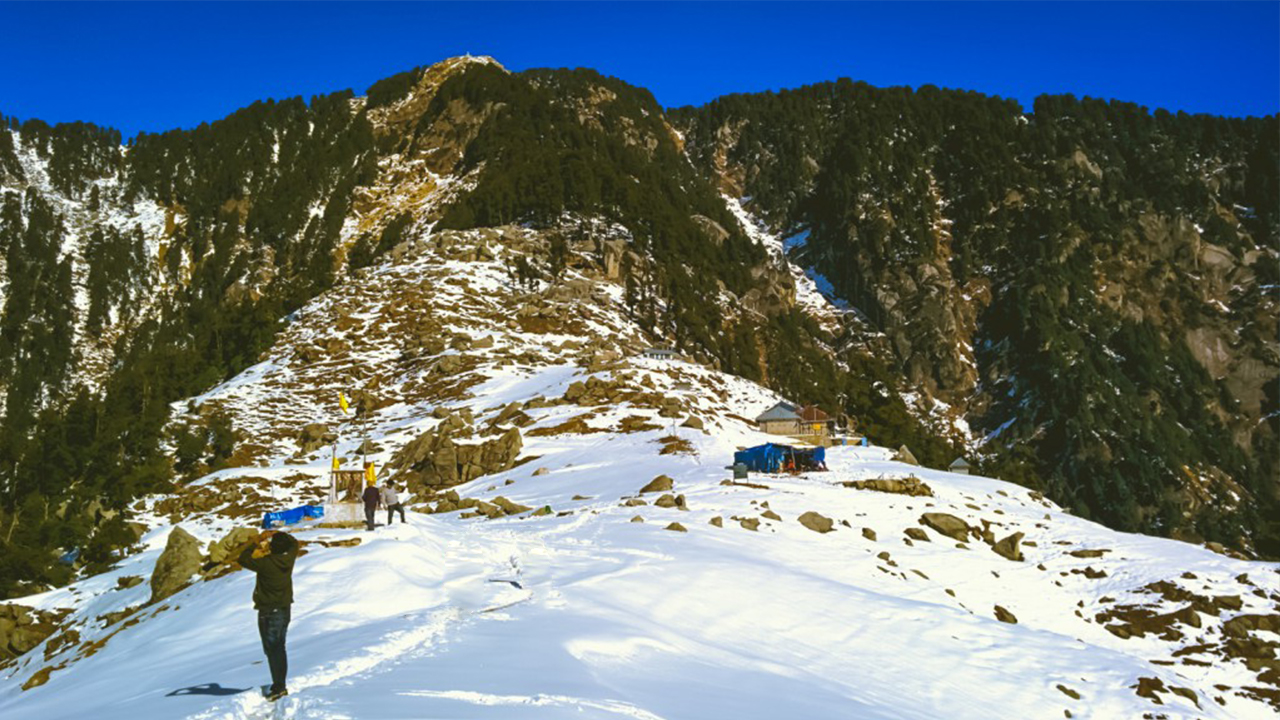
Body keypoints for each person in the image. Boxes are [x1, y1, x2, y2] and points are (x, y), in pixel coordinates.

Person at [237, 530, 299, 701]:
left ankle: (279, 687)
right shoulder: (289, 558)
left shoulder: (266, 563)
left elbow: (243, 558)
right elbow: (294, 543)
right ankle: (279, 684)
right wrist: (280, 533)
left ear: (272, 548)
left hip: (268, 611)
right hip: (284, 609)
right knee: (279, 648)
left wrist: (257, 539)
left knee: (273, 650)